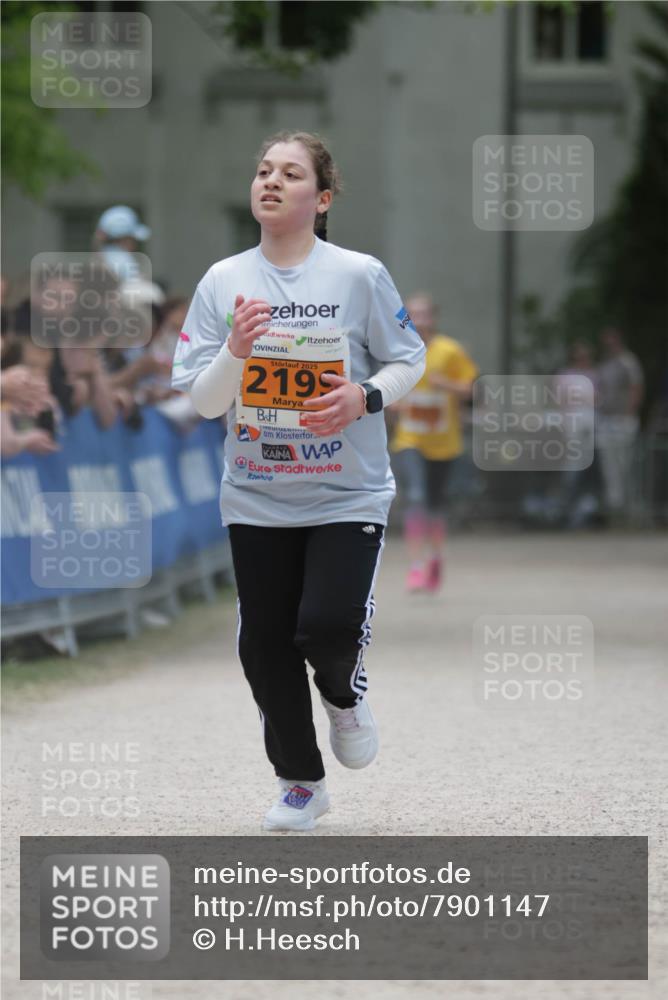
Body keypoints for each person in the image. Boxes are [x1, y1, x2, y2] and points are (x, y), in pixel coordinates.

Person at [171, 130, 426, 831]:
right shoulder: (223, 282)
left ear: (323, 197)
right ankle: (300, 783)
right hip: (257, 494)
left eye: (290, 172)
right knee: (263, 645)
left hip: (348, 491)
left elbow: (410, 358)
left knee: (325, 626)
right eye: (262, 171)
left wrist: (363, 396)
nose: (271, 181)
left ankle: (343, 695)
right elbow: (202, 400)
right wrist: (235, 349)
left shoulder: (356, 274)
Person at [389, 293, 478, 592]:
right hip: (410, 439)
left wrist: (446, 385)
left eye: (424, 314)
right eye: (412, 314)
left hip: (444, 442)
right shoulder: (397, 350)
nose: (419, 320)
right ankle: (416, 566)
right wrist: (394, 403)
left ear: (434, 318)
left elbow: (472, 389)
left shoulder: (450, 351)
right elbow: (383, 390)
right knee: (415, 497)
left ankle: (436, 558)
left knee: (436, 507)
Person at [594, 327, 644, 521]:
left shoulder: (628, 361)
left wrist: (628, 413)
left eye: (611, 341)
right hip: (606, 420)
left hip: (622, 419)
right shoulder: (604, 365)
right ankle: (615, 512)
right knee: (609, 468)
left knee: (625, 466)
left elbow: (636, 388)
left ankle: (631, 512)